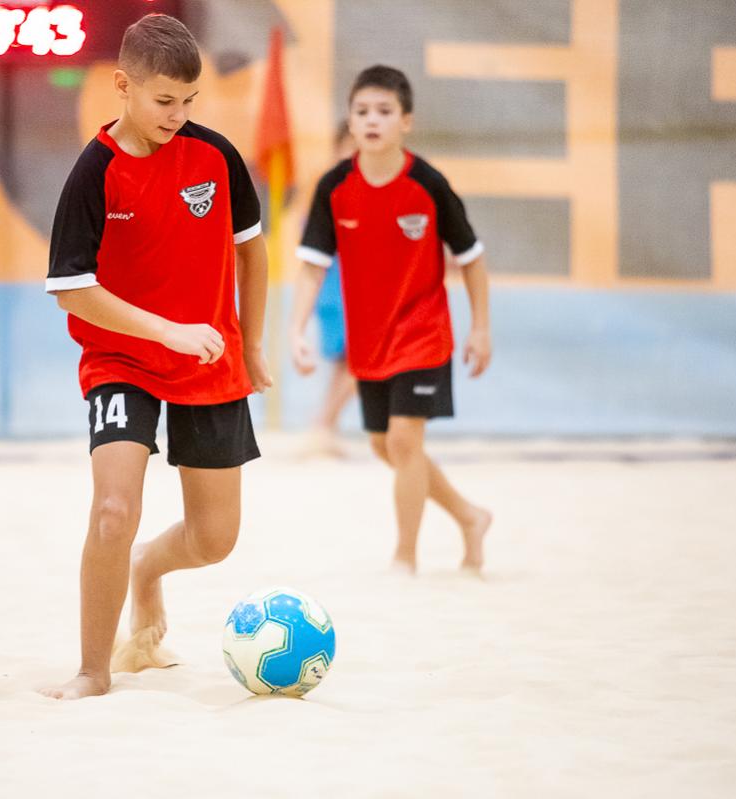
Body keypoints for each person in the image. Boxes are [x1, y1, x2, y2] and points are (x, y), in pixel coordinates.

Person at [40, 14, 271, 700]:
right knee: (113, 510)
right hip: (121, 362)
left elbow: (253, 250)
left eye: (189, 101)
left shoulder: (215, 157)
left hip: (208, 358)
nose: (178, 114)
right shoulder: (95, 170)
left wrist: (252, 342)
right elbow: (72, 291)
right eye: (164, 100)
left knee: (214, 539)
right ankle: (93, 670)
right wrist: (165, 331)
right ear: (123, 86)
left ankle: (147, 569)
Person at [290, 65, 492, 573]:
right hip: (369, 340)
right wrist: (295, 330)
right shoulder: (334, 186)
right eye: (361, 111)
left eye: (384, 111)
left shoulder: (428, 183)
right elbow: (311, 266)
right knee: (386, 446)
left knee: (404, 440)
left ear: (406, 121)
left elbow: (471, 257)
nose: (371, 120)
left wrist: (481, 328)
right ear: (350, 122)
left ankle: (405, 557)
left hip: (423, 333)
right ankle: (469, 516)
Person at [302, 122, 358, 458]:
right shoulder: (334, 188)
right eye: (350, 145)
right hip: (338, 290)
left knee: (347, 364)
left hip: (350, 289)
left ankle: (326, 428)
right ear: (338, 148)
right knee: (358, 365)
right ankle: (322, 424)